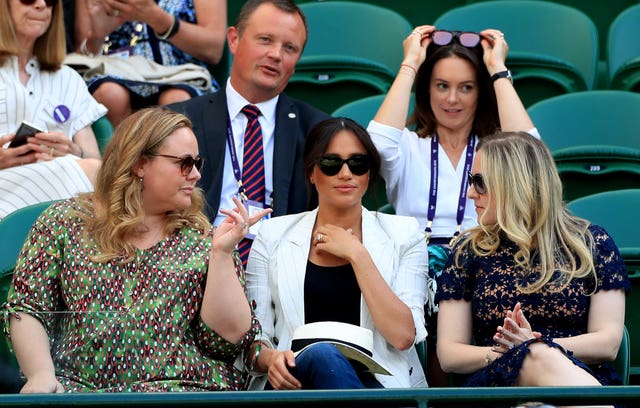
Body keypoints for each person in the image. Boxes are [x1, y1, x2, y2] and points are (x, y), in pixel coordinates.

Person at [3, 107, 269, 392]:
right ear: (139, 164)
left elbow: (228, 341)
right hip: (82, 394)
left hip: (183, 393)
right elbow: (28, 307)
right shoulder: (64, 223)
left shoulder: (205, 238)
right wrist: (41, 374)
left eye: (197, 163)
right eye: (184, 163)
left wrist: (221, 255)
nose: (194, 175)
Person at [367, 25, 539, 385]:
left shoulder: (496, 150)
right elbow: (376, 145)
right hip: (413, 267)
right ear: (426, 89)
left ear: (482, 92)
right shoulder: (409, 146)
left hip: (487, 260)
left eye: (467, 87)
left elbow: (531, 154)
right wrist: (410, 64)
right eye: (441, 85)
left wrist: (497, 70)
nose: (452, 99)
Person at [246, 117, 430, 390]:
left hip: (377, 384)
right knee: (321, 354)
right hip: (295, 381)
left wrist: (357, 255)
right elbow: (253, 338)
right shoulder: (272, 236)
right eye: (332, 164)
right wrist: (270, 358)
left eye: (358, 164)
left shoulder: (404, 234)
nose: (346, 174)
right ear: (311, 171)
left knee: (326, 357)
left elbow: (403, 336)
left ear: (370, 173)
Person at [436, 132, 629, 392]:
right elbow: (449, 354)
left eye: (479, 182)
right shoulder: (468, 251)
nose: (471, 193)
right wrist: (519, 352)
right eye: (471, 181)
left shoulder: (593, 244)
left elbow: (609, 343)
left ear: (515, 184)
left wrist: (539, 345)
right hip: (496, 383)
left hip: (577, 375)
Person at [168, 0, 329, 266]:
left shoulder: (317, 132)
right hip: (191, 263)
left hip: (281, 267)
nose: (276, 54)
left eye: (289, 48)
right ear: (233, 39)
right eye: (265, 40)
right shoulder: (178, 120)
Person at [0, 0, 105, 220]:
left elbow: (95, 161)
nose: (40, 5)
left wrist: (72, 149)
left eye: (49, 1)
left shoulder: (67, 78)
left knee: (98, 173)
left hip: (62, 187)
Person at [74, 0, 227, 127]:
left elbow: (213, 50)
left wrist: (158, 19)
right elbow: (81, 58)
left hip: (183, 74)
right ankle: (112, 162)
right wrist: (97, 36)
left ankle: (176, 161)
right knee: (111, 95)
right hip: (116, 71)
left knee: (177, 101)